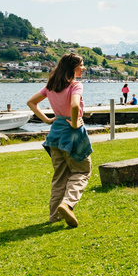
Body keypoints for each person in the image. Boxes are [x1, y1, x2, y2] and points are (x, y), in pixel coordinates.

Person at [27, 53, 92, 228]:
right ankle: (67, 204)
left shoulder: (51, 86)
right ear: (73, 68)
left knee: (60, 177)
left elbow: (31, 103)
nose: (84, 68)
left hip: (54, 135)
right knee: (82, 171)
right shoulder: (75, 85)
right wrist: (75, 123)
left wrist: (48, 120)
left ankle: (54, 215)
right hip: (71, 134)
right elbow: (74, 105)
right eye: (82, 65)